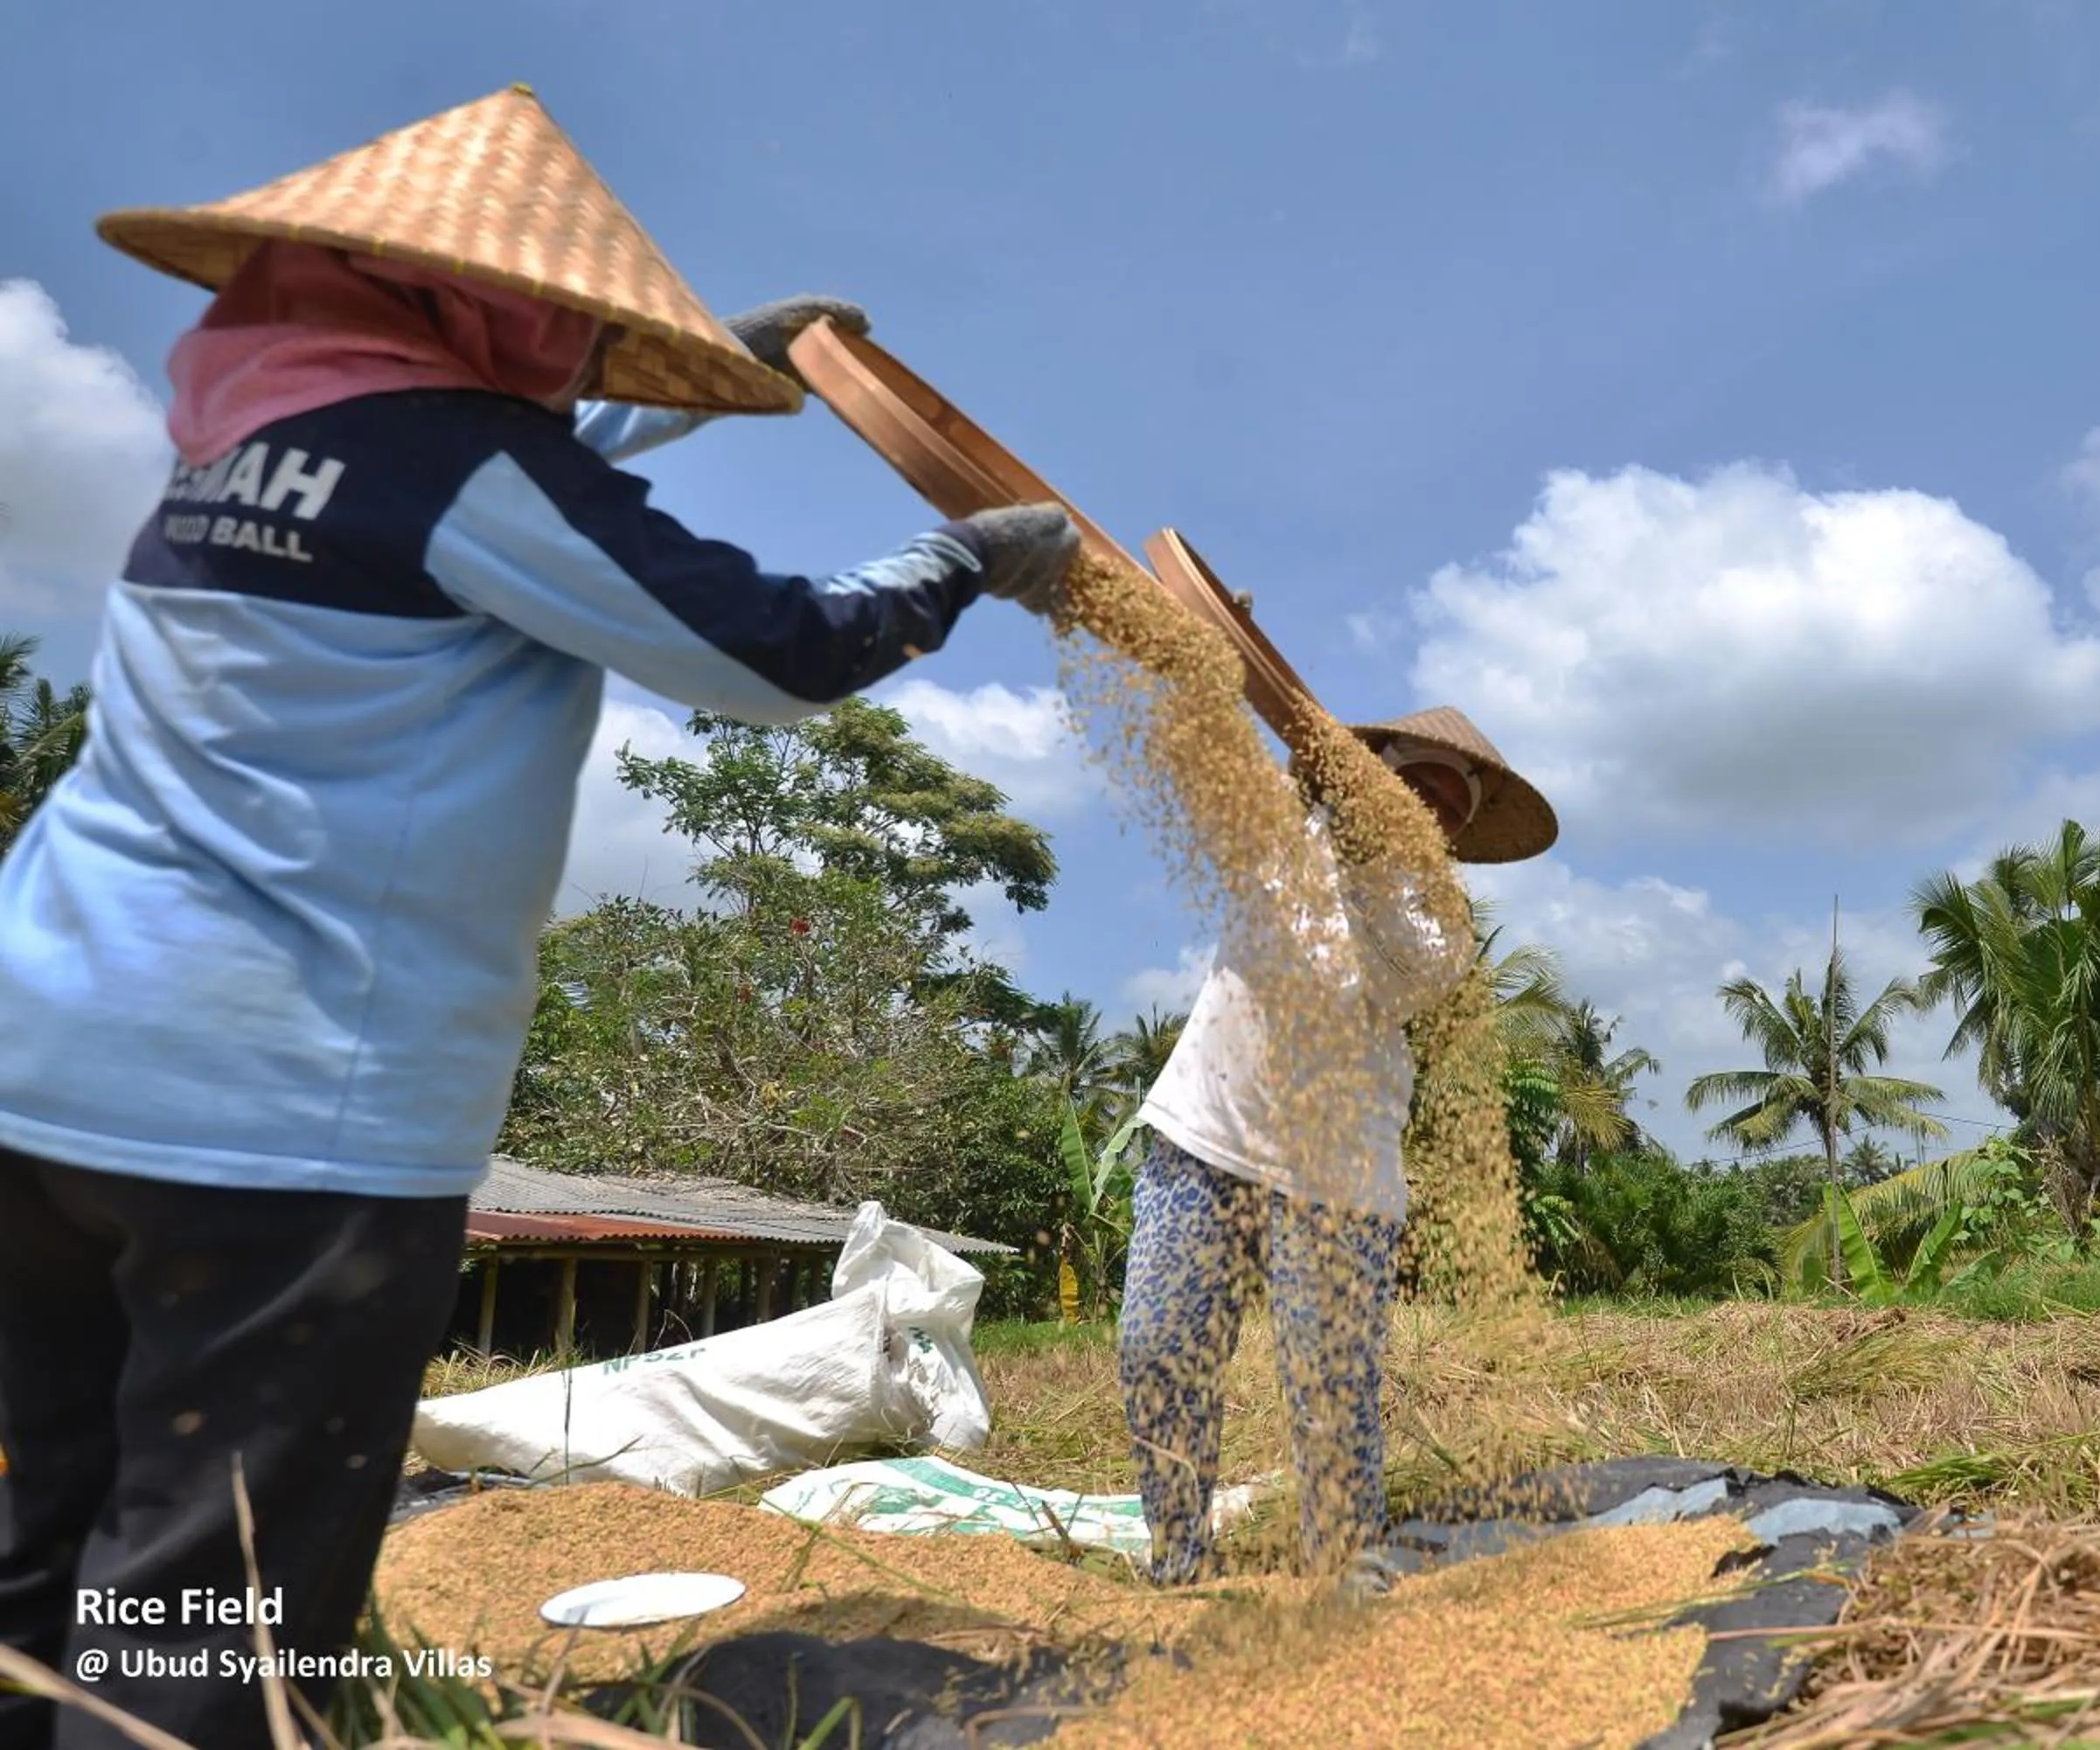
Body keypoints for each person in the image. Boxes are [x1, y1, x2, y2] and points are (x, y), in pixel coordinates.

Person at [0, 86, 1080, 1750]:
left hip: (42, 1079)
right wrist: (953, 562)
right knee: (211, 1617)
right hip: (279, 1121)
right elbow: (771, 648)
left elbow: (478, 483)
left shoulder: (238, 440)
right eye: (559, 311)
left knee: (46, 1549)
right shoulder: (461, 466)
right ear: (466, 300)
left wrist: (714, 374)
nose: (574, 338)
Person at [1120, 707, 1558, 1587]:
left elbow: (1398, 968)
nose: (1424, 814)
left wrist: (1369, 841)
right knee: (1157, 1346)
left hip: (1339, 1174)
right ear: (1369, 779)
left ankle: (1344, 1567)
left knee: (1330, 1384)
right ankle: (1178, 1560)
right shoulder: (1280, 833)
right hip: (1207, 1131)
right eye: (1412, 788)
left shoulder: (1438, 921)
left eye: (1446, 807)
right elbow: (1208, 772)